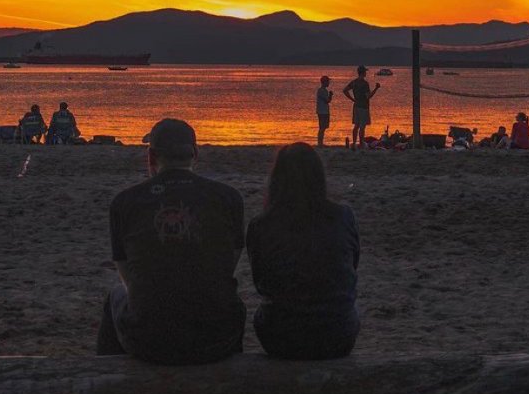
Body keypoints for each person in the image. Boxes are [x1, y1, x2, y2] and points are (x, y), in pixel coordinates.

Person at [97, 118, 246, 363]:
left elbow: (128, 278)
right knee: (230, 301)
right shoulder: (229, 198)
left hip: (149, 339)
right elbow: (226, 264)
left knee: (116, 296)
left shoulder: (125, 202)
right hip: (215, 336)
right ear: (195, 154)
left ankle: (106, 376)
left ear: (151, 157)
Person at [246, 143, 360, 359]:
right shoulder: (343, 216)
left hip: (279, 338)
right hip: (338, 334)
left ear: (277, 180)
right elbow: (352, 265)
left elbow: (260, 281)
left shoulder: (261, 225)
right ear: (319, 178)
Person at [342, 66, 380, 150]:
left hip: (356, 106)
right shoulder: (364, 83)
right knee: (362, 127)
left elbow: (345, 90)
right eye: (365, 72)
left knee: (356, 125)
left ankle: (355, 143)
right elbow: (368, 96)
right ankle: (361, 143)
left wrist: (352, 99)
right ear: (363, 73)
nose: (366, 73)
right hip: (363, 107)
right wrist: (376, 89)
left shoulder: (354, 82)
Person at [316, 75, 333, 148]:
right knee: (322, 128)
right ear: (324, 82)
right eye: (328, 81)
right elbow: (327, 101)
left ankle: (320, 143)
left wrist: (330, 95)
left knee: (323, 127)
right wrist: (330, 95)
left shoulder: (324, 90)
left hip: (324, 111)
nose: (329, 83)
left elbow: (328, 100)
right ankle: (320, 143)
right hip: (322, 111)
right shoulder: (321, 90)